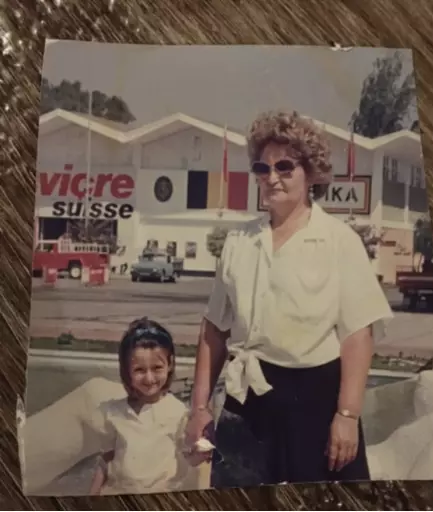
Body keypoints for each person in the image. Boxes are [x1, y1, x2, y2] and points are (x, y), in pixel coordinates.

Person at [185, 110, 394, 487]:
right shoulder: (238, 242)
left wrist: (347, 415)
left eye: (285, 166)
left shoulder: (338, 240)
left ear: (310, 173)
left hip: (316, 400)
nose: (272, 178)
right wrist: (199, 409)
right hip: (247, 398)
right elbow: (214, 329)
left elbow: (358, 335)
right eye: (262, 169)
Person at [89, 317, 196, 495]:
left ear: (169, 364)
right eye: (139, 370)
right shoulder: (113, 413)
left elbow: (191, 458)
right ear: (126, 370)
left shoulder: (179, 413)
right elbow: (106, 460)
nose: (149, 378)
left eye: (157, 368)